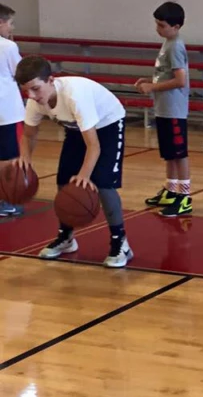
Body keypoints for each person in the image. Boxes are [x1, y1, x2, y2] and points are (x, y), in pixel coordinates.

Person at [14, 55, 133, 268]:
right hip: (77, 128)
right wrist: (25, 160)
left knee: (102, 183)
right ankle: (66, 237)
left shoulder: (74, 96)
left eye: (35, 88)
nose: (31, 95)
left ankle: (120, 242)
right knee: (64, 180)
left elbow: (94, 146)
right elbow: (29, 135)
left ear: (50, 80)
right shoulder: (35, 101)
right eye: (26, 90)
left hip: (108, 124)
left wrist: (84, 176)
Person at [136, 1, 192, 217]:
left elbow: (180, 80)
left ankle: (185, 197)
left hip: (174, 109)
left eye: (162, 25)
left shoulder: (176, 45)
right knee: (169, 153)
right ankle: (170, 190)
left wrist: (152, 86)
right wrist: (150, 80)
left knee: (179, 153)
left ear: (176, 26)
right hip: (164, 107)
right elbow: (166, 74)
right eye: (157, 24)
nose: (158, 29)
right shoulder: (168, 42)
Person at [0, 3, 25, 217]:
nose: (11, 28)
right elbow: (21, 73)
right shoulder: (7, 47)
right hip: (5, 110)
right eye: (10, 23)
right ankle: (6, 200)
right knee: (7, 157)